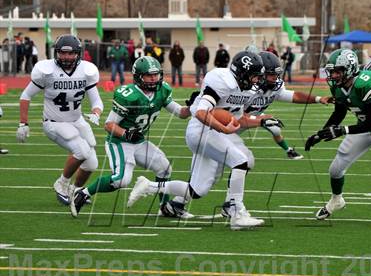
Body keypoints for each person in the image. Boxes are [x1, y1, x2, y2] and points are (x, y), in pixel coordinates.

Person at [125, 51, 268, 230]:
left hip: (211, 133)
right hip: (201, 131)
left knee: (197, 190)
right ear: (242, 73)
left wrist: (260, 120)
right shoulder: (222, 80)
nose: (256, 81)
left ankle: (149, 186)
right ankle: (237, 213)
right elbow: (201, 113)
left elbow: (235, 118)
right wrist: (224, 129)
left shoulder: (243, 89)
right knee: (241, 162)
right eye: (254, 76)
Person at [70, 56, 191, 217]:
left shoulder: (162, 90)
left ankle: (165, 207)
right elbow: (109, 125)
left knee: (164, 167)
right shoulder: (129, 95)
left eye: (156, 74)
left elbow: (180, 113)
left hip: (138, 141)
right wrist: (126, 133)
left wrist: (192, 106)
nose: (154, 78)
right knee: (121, 180)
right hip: (119, 142)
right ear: (139, 77)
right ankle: (83, 193)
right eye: (149, 75)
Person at [305, 48, 371, 227]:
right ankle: (336, 200)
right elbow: (338, 113)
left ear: (350, 69)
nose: (333, 75)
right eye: (332, 71)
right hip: (363, 129)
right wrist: (320, 134)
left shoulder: (367, 82)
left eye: (337, 71)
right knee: (335, 169)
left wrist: (342, 131)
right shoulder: (338, 87)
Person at [16, 34, 103, 205]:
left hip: (76, 120)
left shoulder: (86, 71)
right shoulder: (46, 70)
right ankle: (61, 183)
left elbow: (96, 100)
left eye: (70, 54)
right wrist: (23, 123)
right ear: (56, 53)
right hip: (54, 122)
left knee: (91, 163)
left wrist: (96, 112)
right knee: (82, 151)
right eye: (62, 53)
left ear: (78, 54)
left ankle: (75, 191)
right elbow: (25, 95)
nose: (66, 57)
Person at [243, 51, 332, 160]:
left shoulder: (275, 87)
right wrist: (260, 119)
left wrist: (318, 99)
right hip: (230, 124)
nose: (275, 78)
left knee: (275, 129)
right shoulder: (247, 90)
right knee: (242, 160)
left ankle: (289, 151)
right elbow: (235, 114)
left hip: (250, 117)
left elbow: (295, 96)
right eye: (271, 74)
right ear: (260, 74)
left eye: (276, 74)